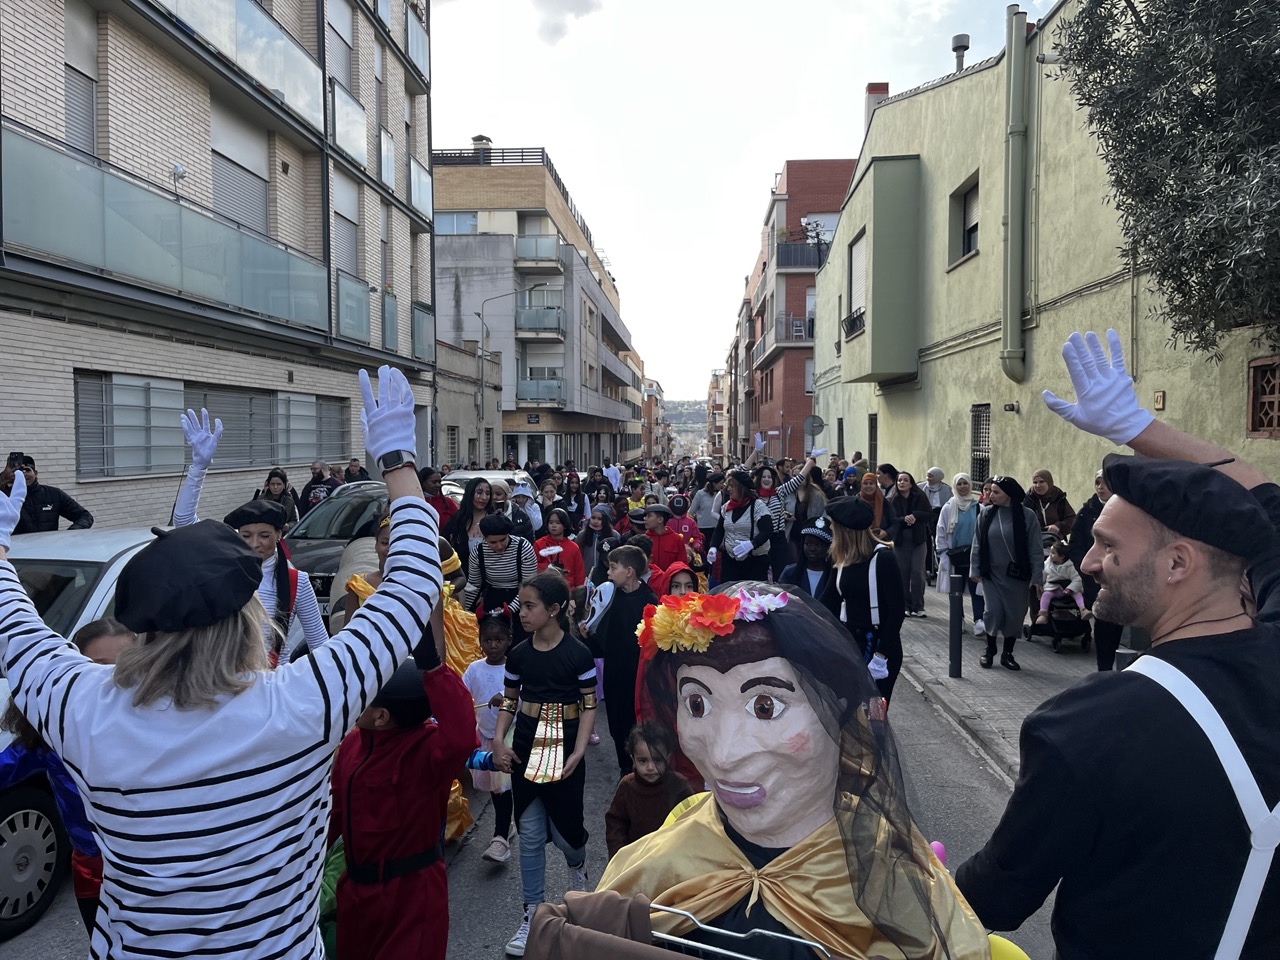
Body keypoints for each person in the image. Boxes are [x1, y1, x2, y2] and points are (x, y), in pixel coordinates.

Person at [0, 365, 446, 959]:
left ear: (142, 627)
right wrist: (397, 463)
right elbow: (412, 588)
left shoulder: (83, 707)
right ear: (248, 618)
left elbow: (16, 628)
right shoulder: (302, 703)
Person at [957, 329, 1280, 960]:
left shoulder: (1088, 725)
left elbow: (991, 898)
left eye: (1108, 546)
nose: (1087, 562)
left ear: (1178, 563)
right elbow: (1267, 505)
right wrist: (1137, 428)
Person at [595, 583, 989, 960]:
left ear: (837, 714)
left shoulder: (894, 873)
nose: (724, 755)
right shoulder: (656, 861)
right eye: (697, 705)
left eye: (765, 707)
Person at [328, 628, 475, 960]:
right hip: (356, 896)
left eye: (365, 694)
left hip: (412, 899)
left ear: (381, 716)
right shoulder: (353, 745)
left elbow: (463, 737)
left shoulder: (426, 750)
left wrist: (433, 668)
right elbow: (332, 816)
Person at [0, 617, 135, 933]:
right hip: (92, 870)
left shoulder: (160, 721)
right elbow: (7, 765)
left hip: (150, 867)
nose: (111, 677)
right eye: (97, 667)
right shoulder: (53, 733)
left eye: (123, 666)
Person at [491, 572, 598, 957]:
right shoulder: (518, 654)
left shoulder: (578, 654)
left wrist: (579, 751)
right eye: (521, 605)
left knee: (568, 835)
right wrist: (498, 738)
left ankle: (578, 871)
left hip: (565, 748)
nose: (521, 613)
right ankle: (532, 914)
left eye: (530, 606)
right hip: (525, 749)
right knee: (531, 833)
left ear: (554, 609)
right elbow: (509, 700)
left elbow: (589, 705)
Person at [175, 412, 328, 661]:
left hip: (273, 679)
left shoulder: (296, 581)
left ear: (279, 535)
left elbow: (320, 645)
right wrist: (198, 468)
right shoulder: (223, 564)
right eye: (246, 535)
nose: (254, 543)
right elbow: (183, 522)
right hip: (221, 679)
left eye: (264, 535)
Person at [822, 498, 906, 703]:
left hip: (878, 644)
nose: (830, 528)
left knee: (872, 713)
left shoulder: (883, 559)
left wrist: (881, 655)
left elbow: (896, 611)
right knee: (848, 710)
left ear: (846, 530)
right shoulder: (840, 557)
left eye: (833, 525)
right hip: (850, 642)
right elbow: (828, 601)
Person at [590, 544, 657, 775]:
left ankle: (642, 767)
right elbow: (598, 629)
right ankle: (624, 768)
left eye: (613, 567)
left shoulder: (649, 600)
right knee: (617, 723)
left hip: (639, 676)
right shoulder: (610, 597)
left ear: (629, 571)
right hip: (614, 672)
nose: (608, 573)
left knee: (638, 722)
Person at [970, 475, 1042, 670]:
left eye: (996, 492)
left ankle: (1007, 653)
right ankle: (990, 649)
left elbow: (1035, 549)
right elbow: (977, 543)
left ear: (1009, 494)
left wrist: (1037, 577)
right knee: (992, 611)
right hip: (992, 575)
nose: (990, 495)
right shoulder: (986, 514)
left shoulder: (1027, 516)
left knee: (1015, 615)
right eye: (989, 491)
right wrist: (974, 569)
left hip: (1017, 577)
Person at [463, 611, 516, 864]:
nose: (493, 645)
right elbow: (462, 695)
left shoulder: (514, 668)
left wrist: (506, 699)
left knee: (503, 786)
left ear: (509, 640)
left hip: (510, 736)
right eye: (487, 640)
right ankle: (507, 827)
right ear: (480, 641)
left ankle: (500, 838)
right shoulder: (474, 669)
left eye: (499, 639)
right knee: (497, 788)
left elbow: (526, 697)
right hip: (485, 736)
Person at [603, 721, 694, 859]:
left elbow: (692, 821)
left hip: (672, 859)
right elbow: (615, 823)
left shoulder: (680, 786)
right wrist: (620, 857)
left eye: (657, 760)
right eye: (643, 761)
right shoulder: (627, 787)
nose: (650, 767)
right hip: (636, 860)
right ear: (633, 759)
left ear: (668, 758)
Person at [1068, 469, 1125, 670]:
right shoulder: (1088, 511)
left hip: (1122, 577)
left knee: (1119, 622)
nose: (1100, 487)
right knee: (1104, 623)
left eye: (1105, 483)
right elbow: (1075, 546)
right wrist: (1089, 571)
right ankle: (1104, 669)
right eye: (1097, 482)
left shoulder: (1127, 510)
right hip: (1097, 579)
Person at [463, 513, 538, 643]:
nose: (499, 546)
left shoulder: (523, 547)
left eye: (503, 540)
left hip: (519, 595)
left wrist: (509, 609)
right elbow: (473, 585)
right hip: (492, 595)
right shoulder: (478, 551)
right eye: (493, 542)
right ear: (484, 538)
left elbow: (528, 585)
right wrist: (464, 611)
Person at [935, 473, 986, 637]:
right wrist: (943, 553)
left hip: (974, 556)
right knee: (955, 589)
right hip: (954, 556)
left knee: (977, 588)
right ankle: (959, 619)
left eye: (965, 483)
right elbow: (941, 531)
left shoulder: (979, 508)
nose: (963, 487)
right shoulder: (948, 507)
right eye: (959, 484)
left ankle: (979, 620)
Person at [706, 470, 773, 583]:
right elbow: (719, 530)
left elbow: (767, 530)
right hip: (730, 563)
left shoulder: (757, 506)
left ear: (741, 488)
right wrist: (713, 547)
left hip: (754, 563)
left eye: (732, 486)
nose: (728, 489)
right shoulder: (727, 507)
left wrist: (752, 544)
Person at [886, 471, 932, 617]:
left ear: (911, 483)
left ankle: (918, 605)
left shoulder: (920, 496)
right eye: (899, 480)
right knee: (902, 573)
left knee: (917, 573)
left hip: (918, 539)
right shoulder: (891, 499)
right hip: (900, 540)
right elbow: (889, 519)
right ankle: (905, 605)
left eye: (905, 480)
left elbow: (929, 515)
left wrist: (915, 516)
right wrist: (904, 519)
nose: (902, 483)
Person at [11, 456, 93, 534]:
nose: (23, 475)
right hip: (17, 544)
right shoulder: (6, 497)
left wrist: (70, 534)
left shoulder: (53, 494)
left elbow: (85, 516)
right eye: (18, 472)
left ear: (35, 473)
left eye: (27, 470)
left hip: (49, 544)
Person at [443, 476, 492, 579]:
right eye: (479, 492)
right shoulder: (456, 520)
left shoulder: (495, 519)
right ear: (470, 493)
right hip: (463, 578)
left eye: (488, 493)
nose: (484, 497)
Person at [779, 515, 836, 599]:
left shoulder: (834, 575)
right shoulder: (790, 572)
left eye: (818, 545)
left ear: (828, 547)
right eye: (808, 544)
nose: (812, 549)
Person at [1036, 539, 1086, 624]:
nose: (1050, 554)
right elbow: (1043, 574)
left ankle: (1083, 609)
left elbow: (1077, 579)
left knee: (1077, 594)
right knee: (1046, 595)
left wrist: (1070, 588)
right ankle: (1043, 614)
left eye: (1053, 553)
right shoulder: (1047, 564)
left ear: (1062, 556)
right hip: (1053, 589)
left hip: (1068, 588)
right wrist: (1040, 584)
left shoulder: (1070, 566)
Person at [534, 508, 586, 590]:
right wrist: (547, 568)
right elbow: (533, 567)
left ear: (565, 525)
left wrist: (578, 592)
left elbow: (579, 574)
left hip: (568, 590)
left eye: (558, 523)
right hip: (543, 589)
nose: (554, 526)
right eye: (551, 522)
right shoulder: (539, 544)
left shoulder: (574, 547)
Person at [1024, 468, 1076, 538]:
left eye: (1041, 482)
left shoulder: (1059, 497)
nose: (1038, 485)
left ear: (1049, 482)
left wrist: (1058, 526)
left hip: (1055, 541)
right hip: (1034, 540)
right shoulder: (1028, 499)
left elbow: (1072, 520)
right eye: (1035, 482)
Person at [922, 467, 952, 585]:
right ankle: (929, 567)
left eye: (931, 476)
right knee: (928, 542)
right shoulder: (922, 487)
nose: (928, 478)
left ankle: (940, 565)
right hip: (926, 515)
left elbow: (949, 504)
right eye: (928, 475)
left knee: (939, 541)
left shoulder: (946, 489)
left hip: (940, 515)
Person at [641, 503, 684, 571]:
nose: (645, 518)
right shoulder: (643, 539)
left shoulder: (676, 539)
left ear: (660, 520)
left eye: (649, 516)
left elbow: (682, 564)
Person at [419, 466, 459, 531]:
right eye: (434, 482)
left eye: (439, 482)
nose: (438, 485)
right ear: (423, 482)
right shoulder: (417, 502)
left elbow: (459, 523)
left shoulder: (448, 502)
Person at [689, 472, 723, 548]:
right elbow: (691, 511)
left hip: (718, 528)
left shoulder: (722, 494)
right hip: (703, 529)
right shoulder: (700, 494)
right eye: (720, 483)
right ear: (714, 483)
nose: (723, 485)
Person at [857, 470, 887, 537]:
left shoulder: (883, 501)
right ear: (861, 485)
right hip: (860, 539)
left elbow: (894, 522)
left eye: (871, 483)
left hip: (880, 538)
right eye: (865, 483)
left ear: (876, 485)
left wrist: (886, 533)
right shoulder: (856, 501)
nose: (868, 486)